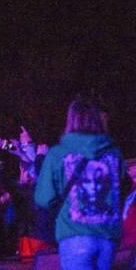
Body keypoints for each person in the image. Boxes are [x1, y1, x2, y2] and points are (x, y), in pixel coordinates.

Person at [35, 97, 122, 270]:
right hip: (108, 236)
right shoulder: (114, 153)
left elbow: (43, 198)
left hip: (74, 234)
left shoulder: (58, 153)